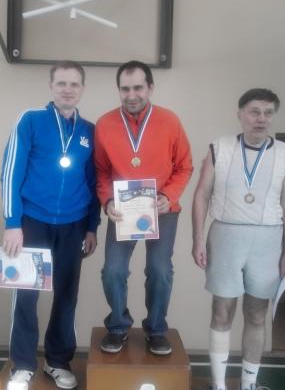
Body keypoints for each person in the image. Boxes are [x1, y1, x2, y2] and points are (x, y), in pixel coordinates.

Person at [1, 60, 100, 390]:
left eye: (74, 84)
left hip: (74, 224)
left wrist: (92, 226)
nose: (68, 89)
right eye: (61, 83)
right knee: (26, 294)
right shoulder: (30, 120)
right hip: (32, 222)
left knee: (67, 294)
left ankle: (58, 361)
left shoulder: (89, 131)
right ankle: (23, 365)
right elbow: (11, 171)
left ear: (82, 89)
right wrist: (12, 222)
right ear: (51, 86)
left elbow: (93, 181)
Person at [192, 88, 285, 390]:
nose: (261, 118)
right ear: (240, 114)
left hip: (268, 239)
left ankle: (249, 384)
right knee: (222, 310)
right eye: (254, 111)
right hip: (226, 235)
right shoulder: (220, 147)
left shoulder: (284, 153)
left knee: (257, 313)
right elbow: (201, 194)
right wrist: (198, 239)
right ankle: (218, 384)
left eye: (267, 113)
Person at [95, 60, 193, 355]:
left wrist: (169, 196)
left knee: (160, 270)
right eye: (125, 89)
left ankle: (156, 329)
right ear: (119, 90)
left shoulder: (170, 120)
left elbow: (185, 166)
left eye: (138, 87)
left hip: (163, 209)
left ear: (150, 87)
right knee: (113, 271)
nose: (131, 95)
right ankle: (118, 326)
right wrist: (107, 201)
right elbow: (101, 172)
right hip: (122, 211)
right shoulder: (105, 124)